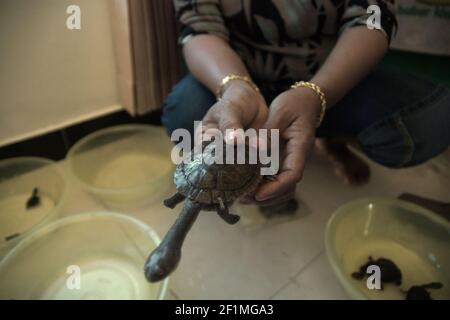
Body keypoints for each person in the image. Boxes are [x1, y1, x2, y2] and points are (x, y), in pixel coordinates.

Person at [161, 0, 450, 207]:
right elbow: (198, 30)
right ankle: (285, 141)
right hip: (242, 74)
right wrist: (235, 86)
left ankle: (330, 136)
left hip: (333, 76)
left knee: (430, 122)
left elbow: (372, 17)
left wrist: (316, 95)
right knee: (184, 115)